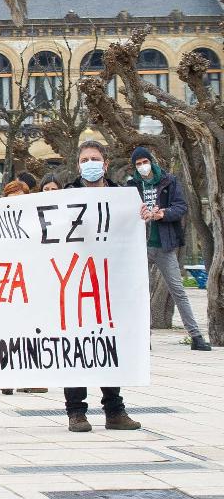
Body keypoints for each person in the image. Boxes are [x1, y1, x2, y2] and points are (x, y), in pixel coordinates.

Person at [63, 140, 142, 433]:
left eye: (95, 158)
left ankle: (114, 410)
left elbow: (132, 229)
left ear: (106, 164)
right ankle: (76, 412)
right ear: (78, 165)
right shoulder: (66, 196)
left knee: (109, 343)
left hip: (112, 281)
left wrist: (142, 216)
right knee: (74, 345)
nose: (90, 163)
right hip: (75, 281)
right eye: (85, 159)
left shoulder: (122, 196)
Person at [128, 145, 211, 352]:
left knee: (178, 290)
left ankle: (196, 336)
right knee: (140, 293)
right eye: (138, 164)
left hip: (164, 244)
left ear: (151, 162)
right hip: (140, 246)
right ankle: (142, 337)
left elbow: (181, 207)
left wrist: (162, 214)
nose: (142, 167)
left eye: (144, 162)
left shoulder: (169, 181)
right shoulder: (131, 186)